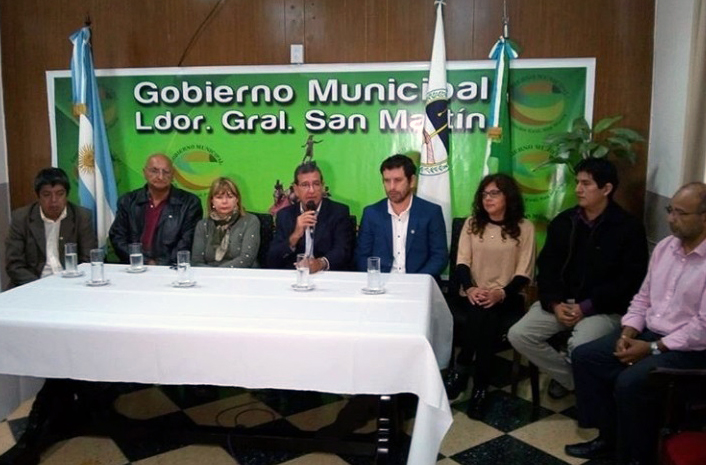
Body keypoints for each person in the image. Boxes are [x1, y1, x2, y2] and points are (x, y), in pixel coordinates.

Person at [565, 182, 706, 465]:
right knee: (586, 357)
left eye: (681, 213)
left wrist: (652, 348)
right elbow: (642, 299)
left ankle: (635, 457)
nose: (671, 219)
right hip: (649, 332)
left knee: (630, 382)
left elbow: (702, 328)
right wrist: (628, 331)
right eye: (670, 210)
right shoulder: (665, 248)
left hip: (690, 349)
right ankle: (610, 437)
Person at [508, 158, 649, 399]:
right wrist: (554, 303)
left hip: (602, 308)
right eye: (577, 183)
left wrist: (586, 307)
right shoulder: (564, 222)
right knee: (519, 334)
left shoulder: (628, 227)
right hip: (561, 303)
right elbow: (548, 267)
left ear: (606, 189)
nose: (578, 189)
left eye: (586, 184)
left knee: (580, 345)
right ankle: (574, 380)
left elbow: (630, 281)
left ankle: (575, 378)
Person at [443, 174, 535, 417]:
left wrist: (500, 293)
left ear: (509, 197)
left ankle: (463, 370)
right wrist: (471, 288)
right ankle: (480, 387)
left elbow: (524, 272)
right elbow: (461, 262)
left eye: (494, 193)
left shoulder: (525, 228)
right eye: (484, 194)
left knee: (487, 312)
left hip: (507, 295)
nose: (488, 199)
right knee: (481, 312)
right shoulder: (473, 224)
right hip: (473, 291)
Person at [354, 154, 447, 278]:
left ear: (412, 181)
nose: (392, 187)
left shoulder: (430, 212)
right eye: (387, 181)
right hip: (381, 283)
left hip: (419, 284)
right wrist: (377, 280)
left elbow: (439, 257)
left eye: (398, 180)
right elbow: (362, 256)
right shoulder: (372, 213)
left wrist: (416, 281)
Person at [5, 167, 96, 288]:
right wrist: (42, 286)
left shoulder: (82, 217)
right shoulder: (21, 218)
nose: (54, 201)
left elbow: (88, 260)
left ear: (67, 195)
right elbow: (14, 265)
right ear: (38, 196)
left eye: (60, 194)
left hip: (71, 284)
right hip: (32, 285)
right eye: (47, 194)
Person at [109, 153, 202, 266]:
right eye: (154, 171)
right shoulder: (128, 201)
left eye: (166, 172)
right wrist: (143, 261)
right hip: (134, 267)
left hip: (171, 268)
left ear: (173, 175)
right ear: (145, 173)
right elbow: (118, 237)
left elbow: (187, 240)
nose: (160, 177)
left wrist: (159, 264)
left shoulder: (189, 203)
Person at [267, 161, 353, 272]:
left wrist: (321, 263)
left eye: (316, 184)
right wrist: (295, 236)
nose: (311, 190)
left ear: (322, 186)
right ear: (296, 189)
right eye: (305, 185)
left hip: (327, 275)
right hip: (293, 276)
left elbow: (343, 251)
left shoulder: (338, 212)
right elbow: (272, 259)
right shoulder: (285, 215)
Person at [191, 177, 260, 268]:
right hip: (209, 276)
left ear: (237, 200)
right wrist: (213, 276)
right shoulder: (203, 225)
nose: (224, 201)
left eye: (230, 197)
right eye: (219, 197)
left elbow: (246, 258)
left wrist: (219, 273)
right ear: (212, 201)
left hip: (241, 275)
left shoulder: (250, 221)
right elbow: (196, 261)